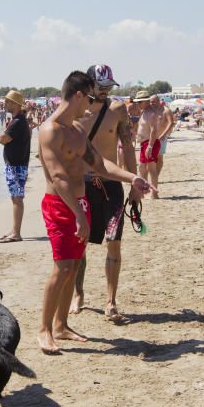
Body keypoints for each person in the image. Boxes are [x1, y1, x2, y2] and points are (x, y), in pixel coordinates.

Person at [37, 71, 152, 354]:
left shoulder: (76, 131)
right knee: (62, 267)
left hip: (80, 202)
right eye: (90, 96)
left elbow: (100, 165)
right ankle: (44, 329)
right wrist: (77, 214)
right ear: (78, 95)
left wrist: (131, 178)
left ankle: (62, 326)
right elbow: (58, 177)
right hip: (60, 205)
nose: (92, 102)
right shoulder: (50, 130)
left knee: (74, 265)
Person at [70, 64, 141, 323]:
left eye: (108, 87)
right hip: (82, 184)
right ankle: (79, 293)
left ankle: (111, 301)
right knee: (80, 244)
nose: (104, 92)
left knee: (114, 241)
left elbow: (128, 146)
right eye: (100, 87)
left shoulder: (118, 109)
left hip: (111, 184)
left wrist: (135, 182)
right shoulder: (77, 110)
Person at [0, 90, 31, 243]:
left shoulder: (18, 121)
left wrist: (3, 130)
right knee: (15, 197)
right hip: (16, 165)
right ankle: (14, 229)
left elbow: (2, 139)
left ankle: (16, 233)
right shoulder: (17, 120)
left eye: (8, 102)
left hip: (17, 165)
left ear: (15, 104)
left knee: (17, 198)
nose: (5, 104)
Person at [136, 91, 161, 196]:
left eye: (139, 102)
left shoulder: (151, 113)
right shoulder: (144, 111)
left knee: (151, 169)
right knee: (142, 168)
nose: (137, 104)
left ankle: (154, 194)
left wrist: (150, 146)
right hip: (144, 143)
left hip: (150, 143)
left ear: (146, 102)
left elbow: (153, 130)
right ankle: (143, 191)